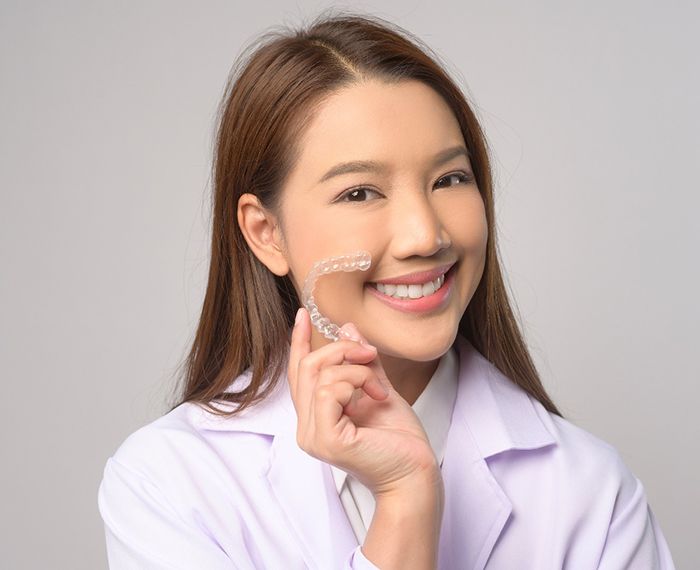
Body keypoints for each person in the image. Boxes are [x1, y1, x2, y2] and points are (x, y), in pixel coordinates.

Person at [97, 10, 676, 569]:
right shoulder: (169, 483)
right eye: (360, 193)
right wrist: (406, 502)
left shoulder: (591, 493)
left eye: (450, 179)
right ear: (266, 233)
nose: (426, 235)